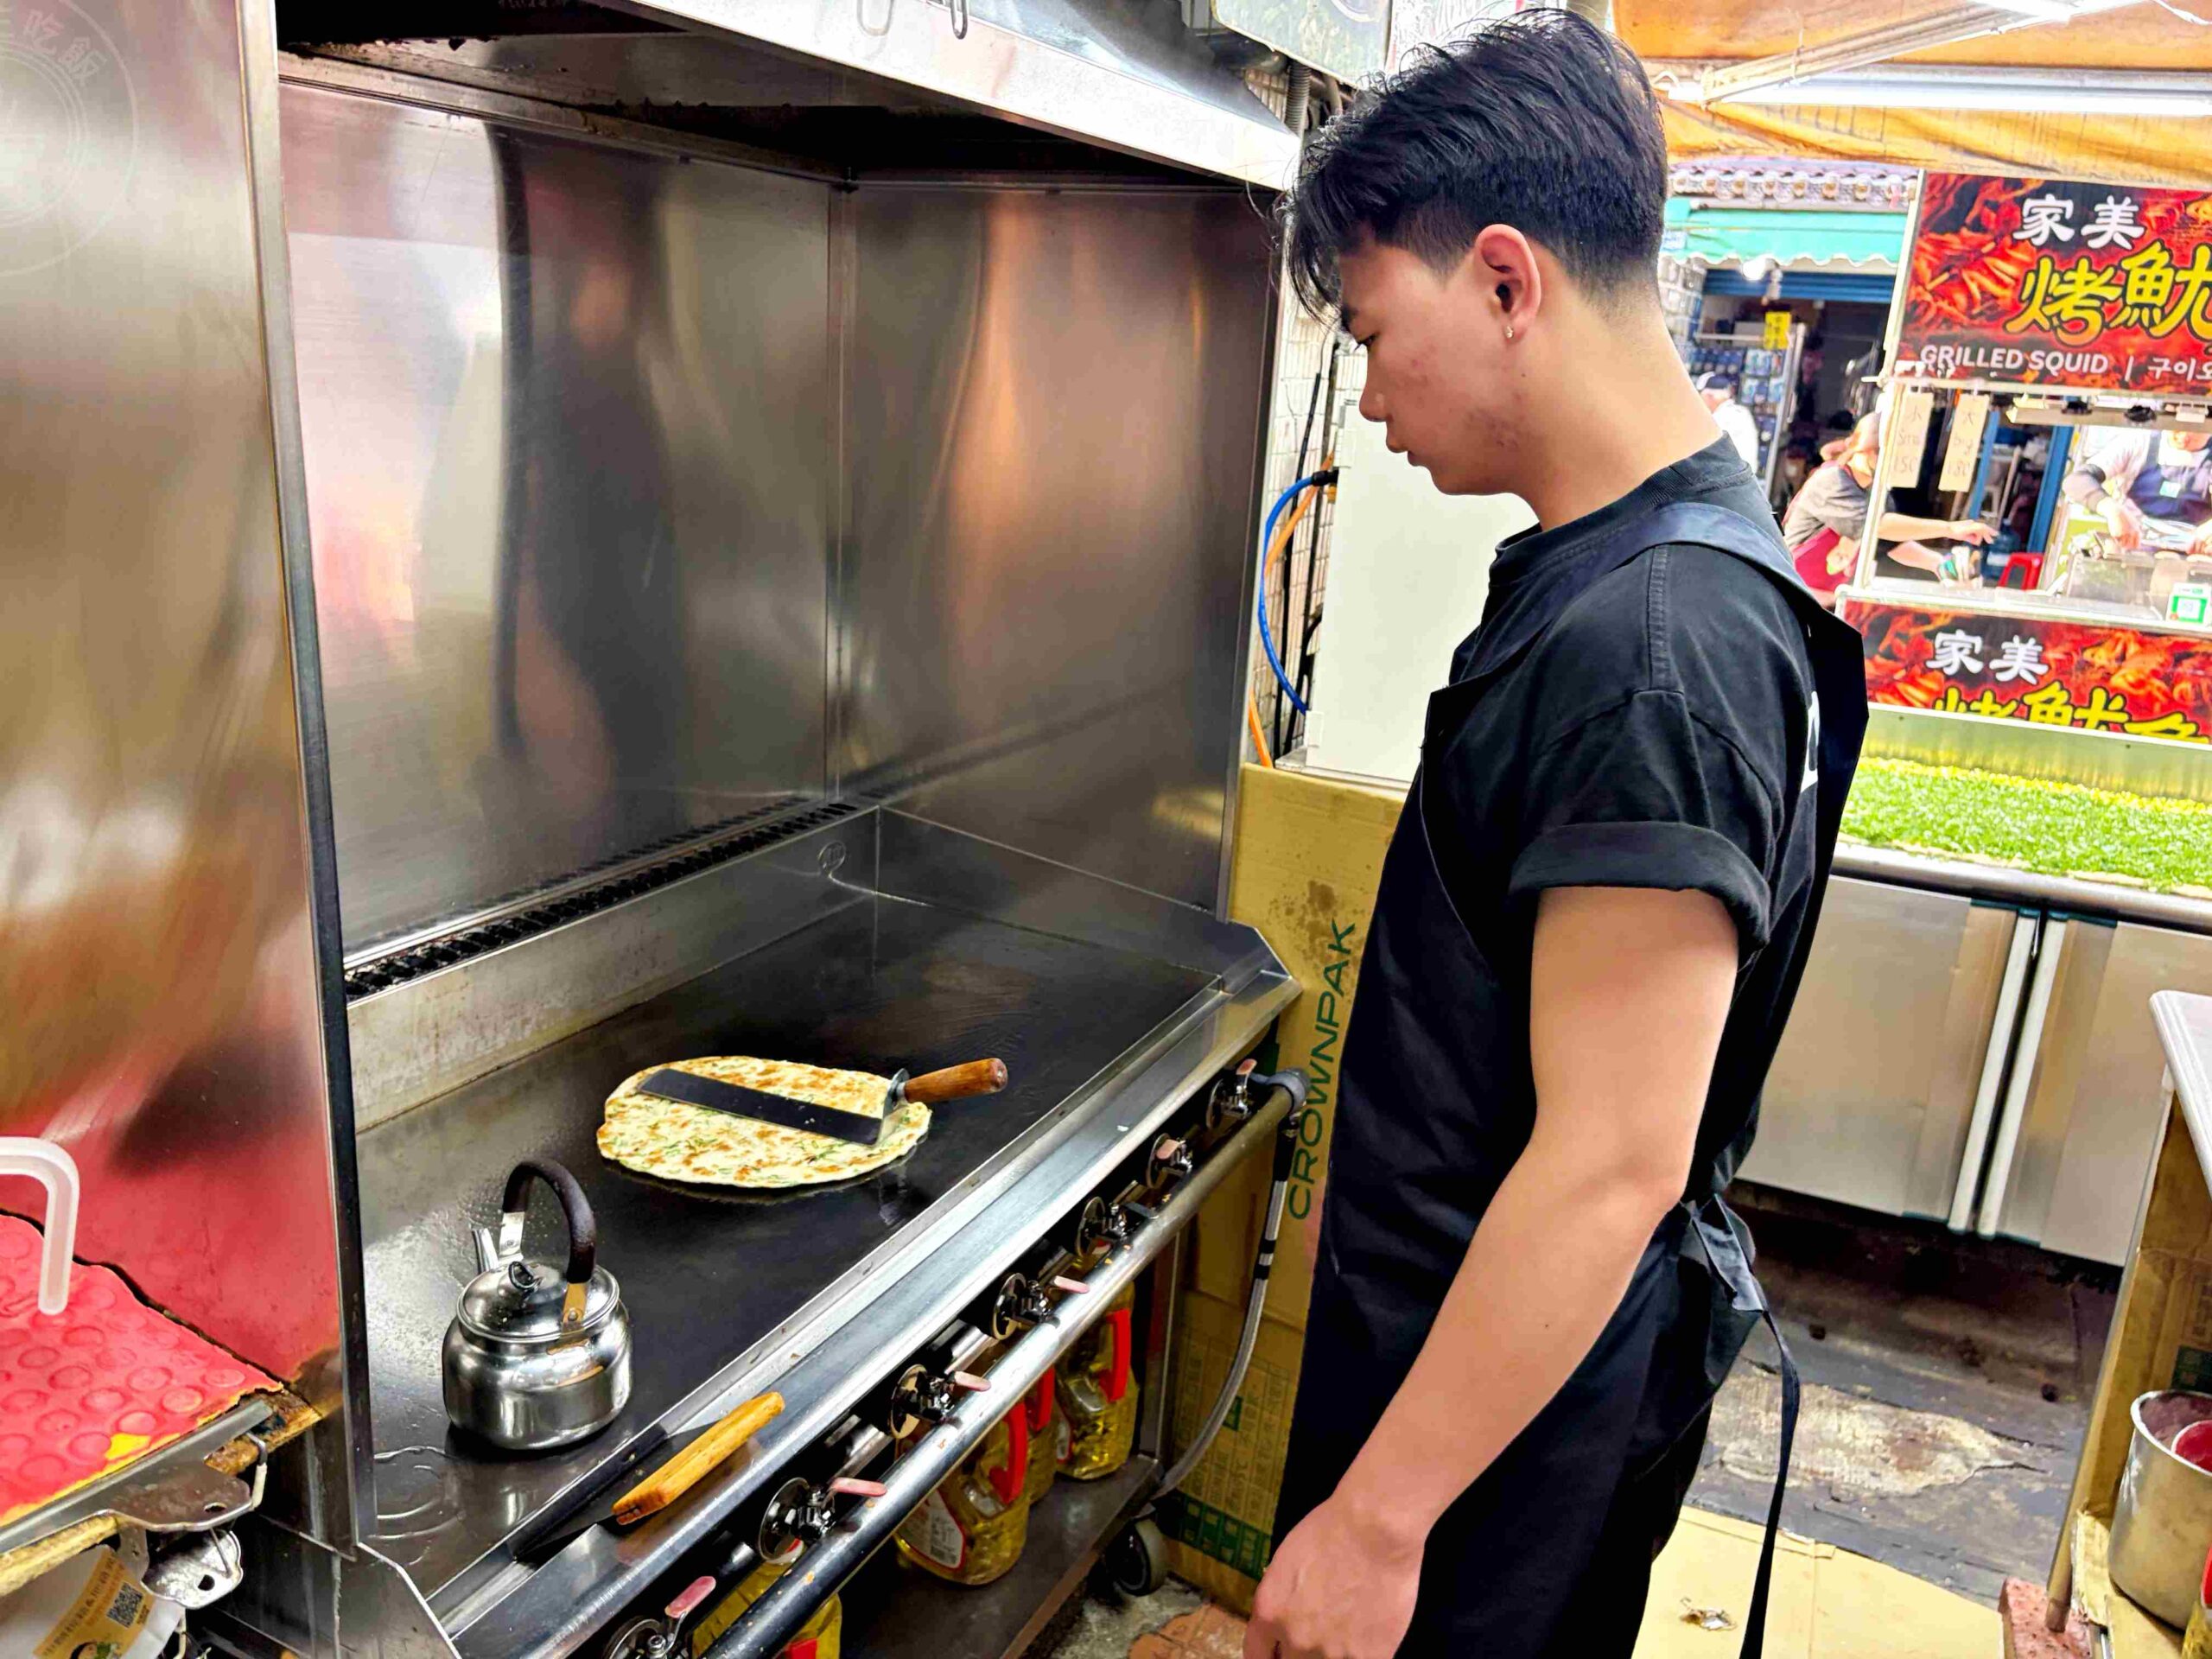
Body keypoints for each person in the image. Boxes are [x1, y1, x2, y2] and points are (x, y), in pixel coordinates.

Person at [1249, 15, 1866, 1659]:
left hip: (1495, 1449)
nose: (1369, 399)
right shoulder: (1639, 572)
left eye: (1375, 335)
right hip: (1483, 1383)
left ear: (1509, 282)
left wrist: (1379, 1524)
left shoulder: (1656, 646)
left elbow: (1611, 1162)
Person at [1781, 412, 1993, 603]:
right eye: (1880, 454)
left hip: (1823, 601)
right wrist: (1951, 529)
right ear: (1863, 449)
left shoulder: (1875, 493)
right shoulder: (1831, 480)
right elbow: (1878, 526)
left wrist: (1939, 564)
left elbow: (1889, 542)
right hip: (1789, 593)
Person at [2064, 426, 2212, 556]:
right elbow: (2077, 480)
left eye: (2197, 430)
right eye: (2179, 428)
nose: (2185, 436)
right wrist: (2112, 509)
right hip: (2130, 555)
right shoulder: (2138, 443)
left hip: (2195, 562)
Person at [1697, 370, 1761, 469]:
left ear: (1710, 397)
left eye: (1702, 398)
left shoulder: (1720, 418)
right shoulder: (1742, 412)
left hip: (1730, 478)